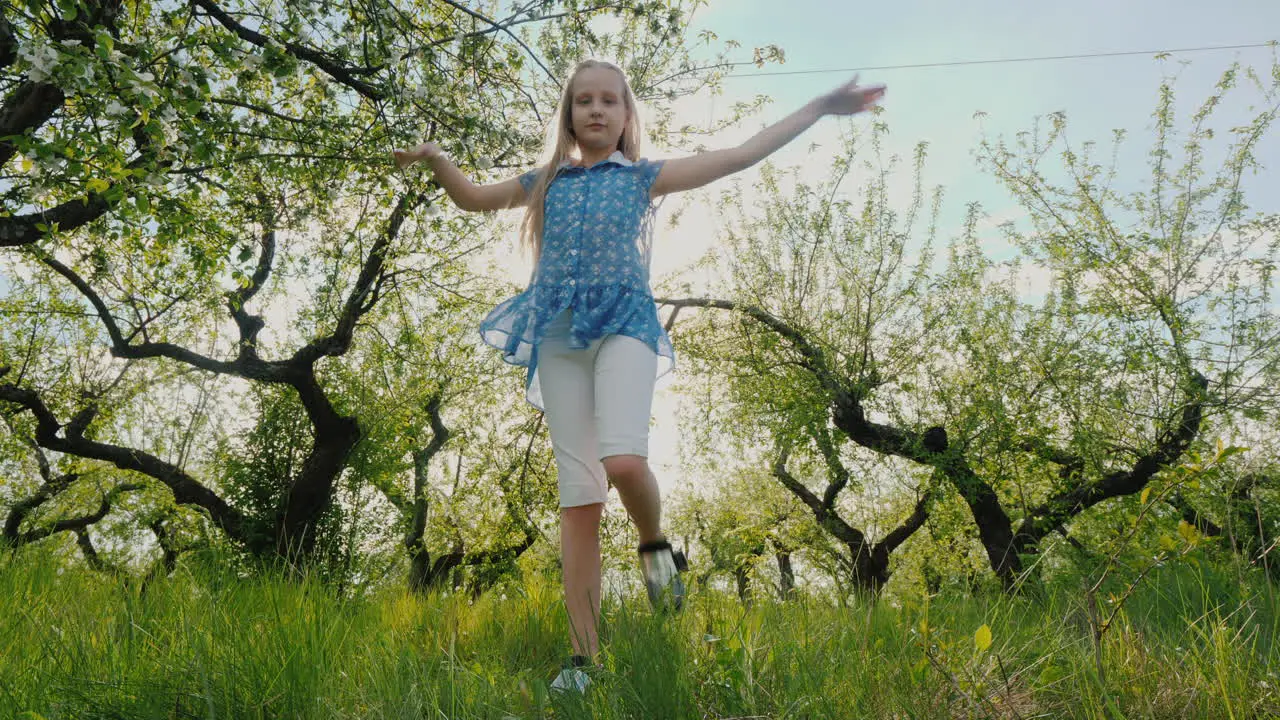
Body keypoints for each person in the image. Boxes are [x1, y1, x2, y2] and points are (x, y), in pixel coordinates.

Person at [393, 59, 884, 692]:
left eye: (609, 101)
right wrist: (438, 160)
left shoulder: (645, 177)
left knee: (623, 461)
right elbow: (472, 199)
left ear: (627, 117)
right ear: (569, 116)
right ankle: (582, 658)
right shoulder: (545, 180)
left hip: (624, 325)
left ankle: (656, 547)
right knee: (580, 496)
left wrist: (817, 107)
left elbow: (739, 155)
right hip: (560, 335)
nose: (596, 110)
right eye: (583, 101)